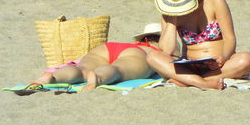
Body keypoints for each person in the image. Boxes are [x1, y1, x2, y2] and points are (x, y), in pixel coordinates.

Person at [146, 0, 250, 90]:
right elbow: (168, 50)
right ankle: (202, 83)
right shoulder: (168, 11)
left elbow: (230, 38)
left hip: (219, 66)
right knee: (152, 56)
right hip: (189, 67)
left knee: (246, 59)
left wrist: (224, 57)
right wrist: (173, 16)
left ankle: (189, 82)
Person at [30, 23, 162, 90]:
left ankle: (53, 78)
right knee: (118, 70)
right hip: (135, 54)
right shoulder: (157, 50)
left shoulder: (135, 43)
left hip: (109, 47)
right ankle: (98, 77)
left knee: (82, 69)